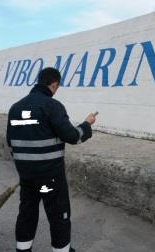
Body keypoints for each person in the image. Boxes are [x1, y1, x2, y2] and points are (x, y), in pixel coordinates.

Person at [6, 67, 97, 252]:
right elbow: (73, 136)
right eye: (57, 87)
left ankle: (23, 250)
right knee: (58, 214)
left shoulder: (15, 108)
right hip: (49, 177)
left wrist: (26, 169)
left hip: (26, 176)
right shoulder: (51, 106)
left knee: (27, 213)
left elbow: (11, 142)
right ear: (54, 85)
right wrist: (87, 125)